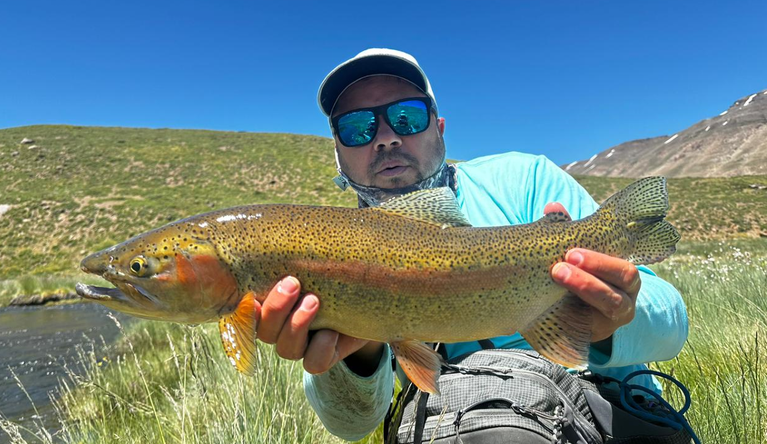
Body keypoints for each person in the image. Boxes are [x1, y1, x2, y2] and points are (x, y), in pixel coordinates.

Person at [254, 48, 689, 442]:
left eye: (406, 117)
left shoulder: (525, 179)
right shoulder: (323, 250)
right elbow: (351, 426)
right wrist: (363, 342)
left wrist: (612, 320)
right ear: (338, 152)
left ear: (439, 128)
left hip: (603, 409)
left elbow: (673, 326)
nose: (385, 137)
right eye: (357, 127)